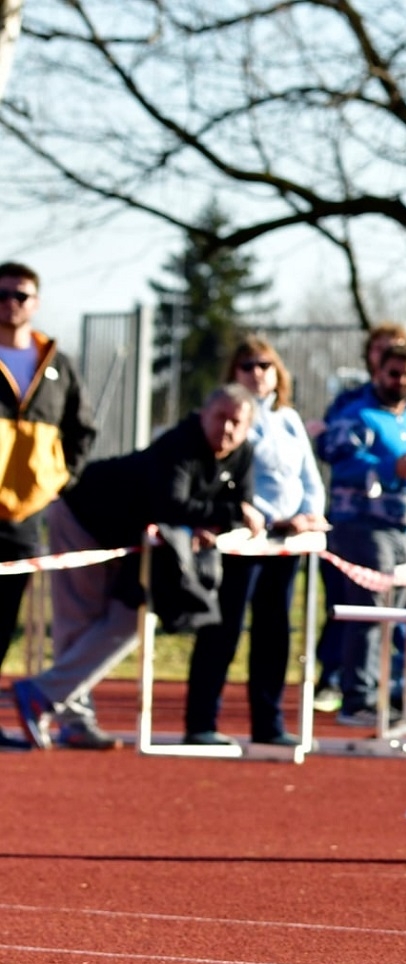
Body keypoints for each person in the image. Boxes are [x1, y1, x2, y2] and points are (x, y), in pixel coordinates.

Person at [12, 386, 265, 749]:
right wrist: (228, 515)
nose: (226, 429)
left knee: (130, 617)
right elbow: (173, 504)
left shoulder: (242, 455)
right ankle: (73, 719)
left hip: (138, 540)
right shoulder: (179, 444)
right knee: (81, 617)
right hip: (85, 517)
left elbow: (242, 504)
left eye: (235, 422)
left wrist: (225, 517)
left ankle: (47, 695)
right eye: (219, 417)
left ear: (247, 428)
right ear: (203, 414)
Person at [182, 339, 328, 747]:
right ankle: (201, 723)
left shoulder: (288, 419)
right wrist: (267, 516)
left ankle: (269, 724)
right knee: (224, 628)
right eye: (248, 365)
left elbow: (308, 476)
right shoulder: (231, 417)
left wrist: (310, 515)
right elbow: (234, 475)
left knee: (274, 631)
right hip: (242, 539)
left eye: (266, 364)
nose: (258, 372)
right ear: (234, 373)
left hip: (287, 542)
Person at [317, 342, 406, 728]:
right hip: (364, 526)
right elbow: (334, 453)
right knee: (372, 610)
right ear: (377, 374)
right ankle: (358, 697)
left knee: (402, 615)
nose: (400, 381)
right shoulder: (359, 415)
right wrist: (389, 467)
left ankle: (394, 692)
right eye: (393, 374)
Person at [0, 262, 95, 750]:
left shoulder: (54, 361)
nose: (11, 303)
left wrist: (61, 479)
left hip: (24, 516)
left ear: (35, 302)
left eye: (21, 295)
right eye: (3, 295)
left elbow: (82, 429)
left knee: (3, 621)